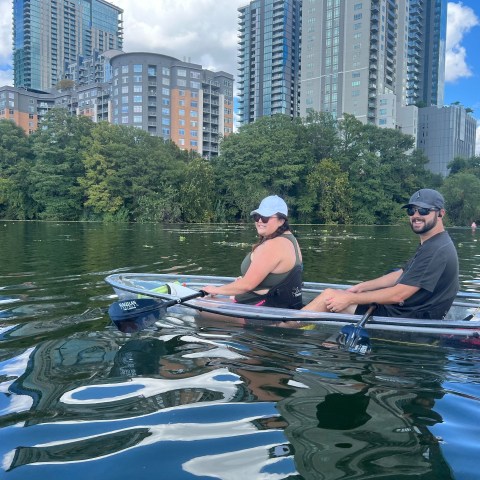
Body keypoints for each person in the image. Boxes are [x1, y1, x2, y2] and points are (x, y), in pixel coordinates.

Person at [303, 188, 459, 320]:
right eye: (412, 210)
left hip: (406, 319)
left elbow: (398, 295)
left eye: (424, 210)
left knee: (329, 296)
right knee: (346, 295)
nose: (416, 215)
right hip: (407, 311)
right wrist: (362, 286)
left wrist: (349, 298)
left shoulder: (435, 249)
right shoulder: (435, 242)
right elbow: (402, 274)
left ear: (441, 213)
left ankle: (285, 326)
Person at [202, 195, 303, 309]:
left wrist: (215, 290)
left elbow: (247, 285)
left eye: (265, 217)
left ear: (281, 220)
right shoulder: (291, 240)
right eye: (257, 216)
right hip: (278, 304)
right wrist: (242, 283)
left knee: (200, 304)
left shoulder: (273, 245)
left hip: (261, 309)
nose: (260, 221)